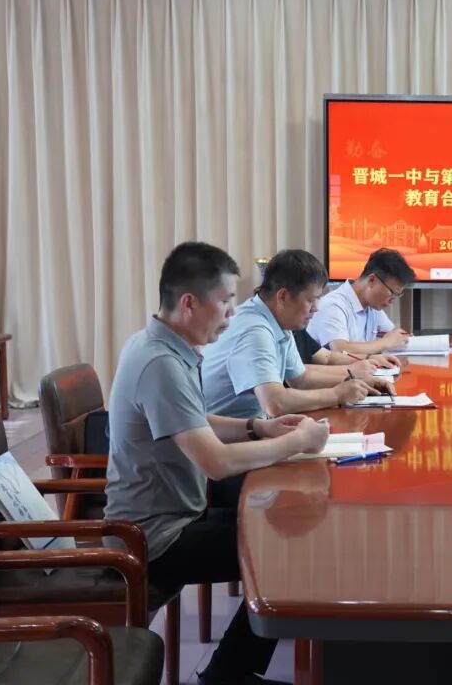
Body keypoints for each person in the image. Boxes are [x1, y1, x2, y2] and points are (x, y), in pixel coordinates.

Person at [104, 242, 328, 685]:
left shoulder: (161, 345)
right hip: (154, 537)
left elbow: (194, 421)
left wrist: (257, 428)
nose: (231, 313)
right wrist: (295, 443)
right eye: (225, 301)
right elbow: (217, 463)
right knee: (287, 548)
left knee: (281, 519)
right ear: (189, 303)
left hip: (176, 515)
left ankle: (231, 669)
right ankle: (227, 675)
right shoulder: (160, 362)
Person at [201, 249, 393, 420]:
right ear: (283, 296)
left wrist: (358, 382)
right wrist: (336, 395)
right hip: (220, 438)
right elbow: (275, 403)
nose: (316, 308)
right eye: (311, 300)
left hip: (250, 427)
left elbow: (300, 379)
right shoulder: (255, 330)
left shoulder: (276, 319)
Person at [306, 248, 414, 355]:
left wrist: (399, 337)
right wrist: (385, 343)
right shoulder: (333, 305)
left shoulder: (373, 307)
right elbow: (340, 350)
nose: (393, 300)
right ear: (372, 280)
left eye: (398, 295)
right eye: (392, 293)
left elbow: (395, 334)